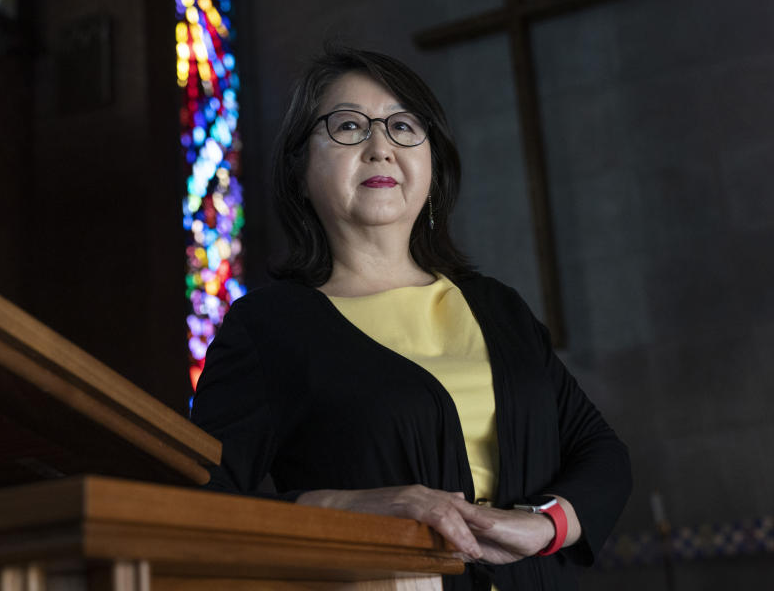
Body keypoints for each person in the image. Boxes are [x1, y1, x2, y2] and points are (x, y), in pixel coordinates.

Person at [190, 46, 632, 590]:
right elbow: (203, 503)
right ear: (300, 170)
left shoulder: (498, 308)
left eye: (403, 126)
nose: (380, 147)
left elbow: (600, 452)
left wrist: (544, 524)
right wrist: (345, 505)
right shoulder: (267, 328)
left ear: (432, 167)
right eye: (349, 126)